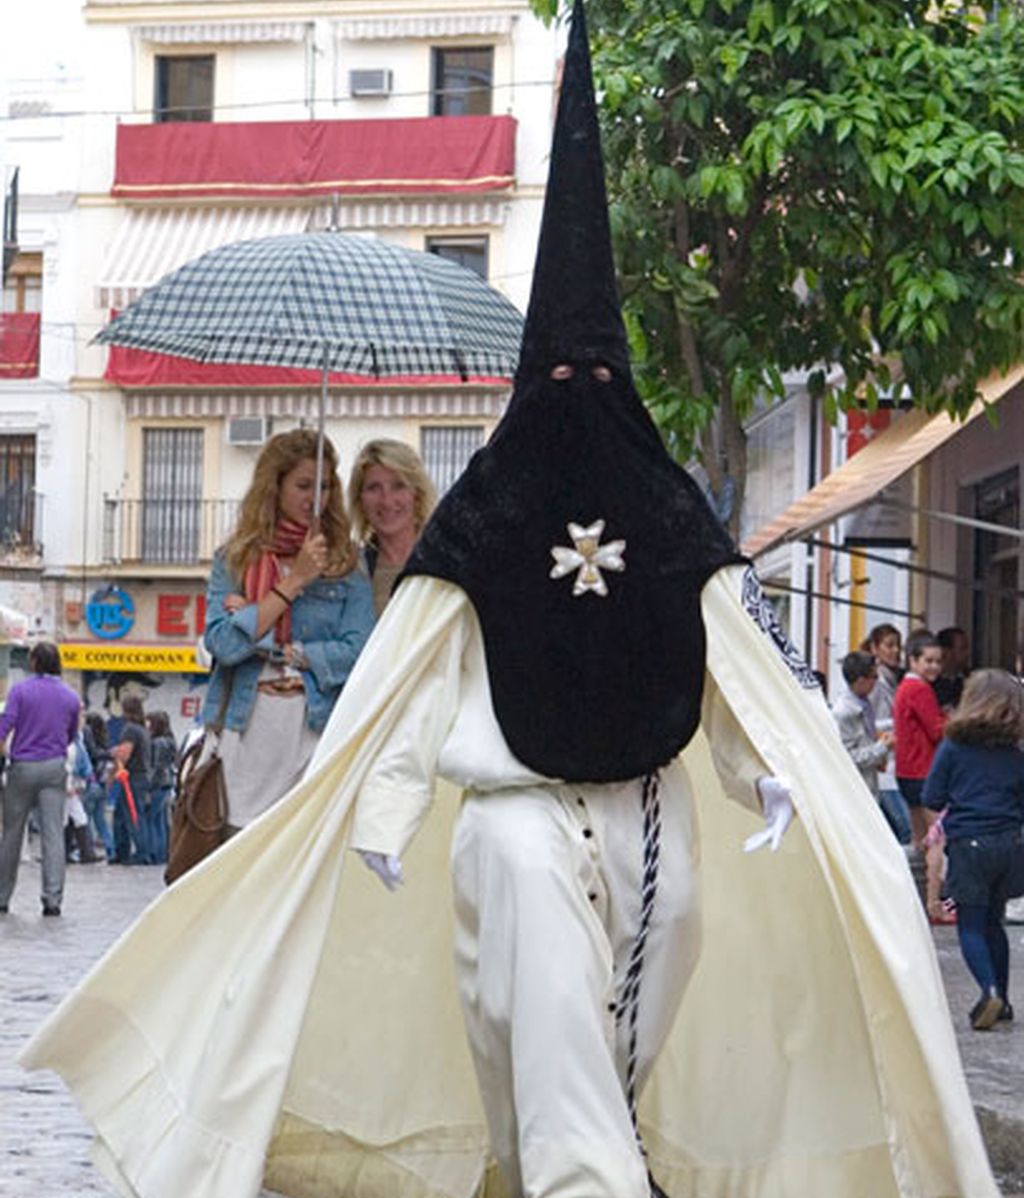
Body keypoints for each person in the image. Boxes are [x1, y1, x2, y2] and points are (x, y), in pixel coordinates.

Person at [19, 6, 1001, 1197]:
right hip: (516, 827)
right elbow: (416, 677)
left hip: (654, 825)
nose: (581, 398)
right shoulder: (476, 523)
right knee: (555, 1079)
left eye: (600, 377)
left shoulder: (666, 510)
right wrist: (379, 815)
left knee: (602, 1071)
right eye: (564, 377)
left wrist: (767, 773)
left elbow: (726, 657)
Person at [203, 428, 374, 831]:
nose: (315, 498)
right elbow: (223, 644)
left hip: (313, 727)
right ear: (274, 485)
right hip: (247, 730)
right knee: (240, 856)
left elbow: (360, 651)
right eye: (303, 485)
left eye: (326, 486)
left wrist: (273, 639)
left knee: (299, 856)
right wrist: (294, 580)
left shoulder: (346, 564)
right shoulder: (235, 559)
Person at [923, 669, 1024, 1029]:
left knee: (970, 925)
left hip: (970, 845)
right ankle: (1006, 1001)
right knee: (995, 922)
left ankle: (990, 990)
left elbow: (931, 795)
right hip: (1010, 847)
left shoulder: (953, 746)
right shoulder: (1015, 753)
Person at [0, 641, 81, 916]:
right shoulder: (70, 696)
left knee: (12, 833)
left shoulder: (20, 691)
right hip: (54, 766)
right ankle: (52, 899)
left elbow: (5, 725)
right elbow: (72, 734)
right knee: (53, 833)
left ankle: (2, 896)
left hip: (23, 765)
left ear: (33, 661)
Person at [893, 633, 951, 922]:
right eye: (928, 660)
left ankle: (915, 902)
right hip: (925, 772)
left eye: (938, 661)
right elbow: (937, 730)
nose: (934, 667)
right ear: (913, 660)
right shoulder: (921, 690)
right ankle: (933, 904)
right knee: (937, 840)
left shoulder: (904, 687)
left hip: (906, 772)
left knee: (919, 840)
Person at [347, 438, 436, 615]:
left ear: (416, 495)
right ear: (360, 499)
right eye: (374, 488)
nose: (387, 501)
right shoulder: (354, 570)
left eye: (399, 486)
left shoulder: (445, 561)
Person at [831, 650, 897, 809]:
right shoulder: (844, 712)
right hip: (855, 791)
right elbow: (848, 757)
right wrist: (882, 748)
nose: (876, 681)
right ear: (861, 681)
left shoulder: (864, 703)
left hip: (870, 783)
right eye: (874, 677)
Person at [110, 695, 152, 865]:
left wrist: (114, 753)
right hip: (142, 777)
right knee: (121, 814)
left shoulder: (130, 729)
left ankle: (141, 853)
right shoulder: (143, 730)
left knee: (133, 815)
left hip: (132, 778)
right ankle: (122, 852)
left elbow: (124, 754)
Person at [145, 710, 176, 866]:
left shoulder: (157, 743)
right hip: (167, 782)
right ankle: (163, 853)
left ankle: (154, 853)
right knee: (161, 820)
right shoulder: (170, 740)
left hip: (158, 784)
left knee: (151, 819)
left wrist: (149, 786)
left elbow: (156, 766)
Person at [82, 711, 114, 859]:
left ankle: (88, 849)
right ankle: (110, 848)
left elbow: (91, 754)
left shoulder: (86, 737)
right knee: (101, 819)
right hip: (103, 782)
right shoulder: (105, 742)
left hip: (92, 781)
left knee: (86, 819)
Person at [934, 625, 970, 710]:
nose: (968, 653)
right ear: (946, 652)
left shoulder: (971, 680)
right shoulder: (928, 683)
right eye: (963, 648)